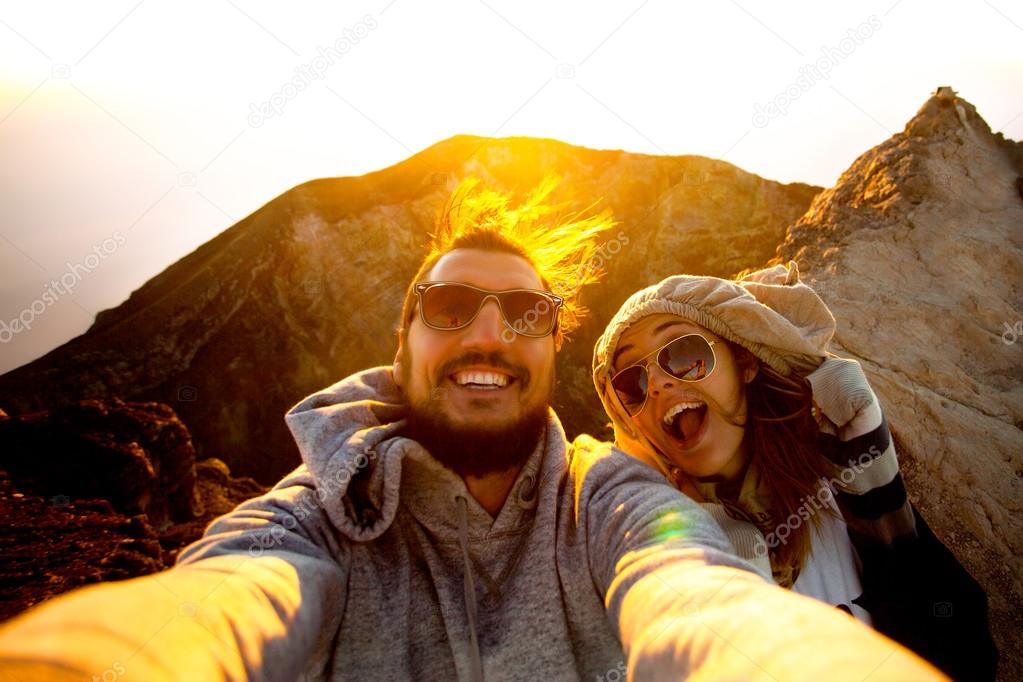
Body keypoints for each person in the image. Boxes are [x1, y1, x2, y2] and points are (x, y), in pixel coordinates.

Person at [0, 180, 942, 681]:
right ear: (401, 340)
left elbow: (693, 597)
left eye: (525, 315)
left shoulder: (606, 497)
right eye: (449, 305)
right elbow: (233, 594)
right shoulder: (316, 512)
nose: (490, 332)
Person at [590, 263, 998, 681]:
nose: (655, 383)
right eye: (631, 383)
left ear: (745, 363)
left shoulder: (842, 490)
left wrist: (879, 488)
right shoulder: (663, 559)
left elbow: (966, 651)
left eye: (683, 355)